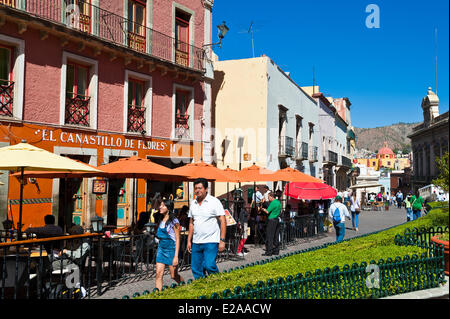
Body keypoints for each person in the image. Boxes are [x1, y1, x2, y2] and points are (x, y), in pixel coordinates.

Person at [187, 178, 226, 279]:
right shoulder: (193, 204)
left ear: (206, 189)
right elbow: (191, 223)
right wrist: (189, 241)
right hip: (196, 241)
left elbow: (223, 221)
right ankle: (202, 290)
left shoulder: (214, 202)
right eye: (195, 188)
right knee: (196, 268)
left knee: (209, 265)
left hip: (211, 241)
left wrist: (222, 240)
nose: (197, 190)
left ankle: (218, 284)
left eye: (200, 188)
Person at [154, 198, 184, 291]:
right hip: (161, 249)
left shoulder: (175, 221)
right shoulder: (160, 219)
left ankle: (185, 286)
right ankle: (157, 296)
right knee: (158, 274)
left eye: (163, 205)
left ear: (168, 207)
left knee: (173, 275)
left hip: (171, 249)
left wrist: (176, 257)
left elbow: (178, 239)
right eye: (160, 205)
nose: (160, 207)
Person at [260, 192, 281, 256]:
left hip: (271, 220)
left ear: (272, 197)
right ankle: (276, 251)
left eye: (269, 197)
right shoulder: (278, 202)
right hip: (277, 219)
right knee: (276, 236)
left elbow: (267, 211)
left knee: (270, 236)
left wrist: (262, 209)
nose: (268, 198)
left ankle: (269, 251)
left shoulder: (273, 202)